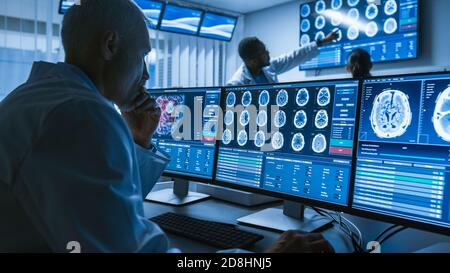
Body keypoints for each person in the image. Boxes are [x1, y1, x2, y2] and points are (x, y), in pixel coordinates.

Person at [0, 0, 334, 253]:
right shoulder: (80, 113)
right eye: (142, 56)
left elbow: (112, 208)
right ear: (110, 46)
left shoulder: (42, 98)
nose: (145, 75)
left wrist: (139, 143)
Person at [227, 32, 338, 86]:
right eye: (263, 52)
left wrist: (322, 41)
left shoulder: (270, 67)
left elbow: (293, 57)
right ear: (253, 61)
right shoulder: (236, 84)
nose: (268, 52)